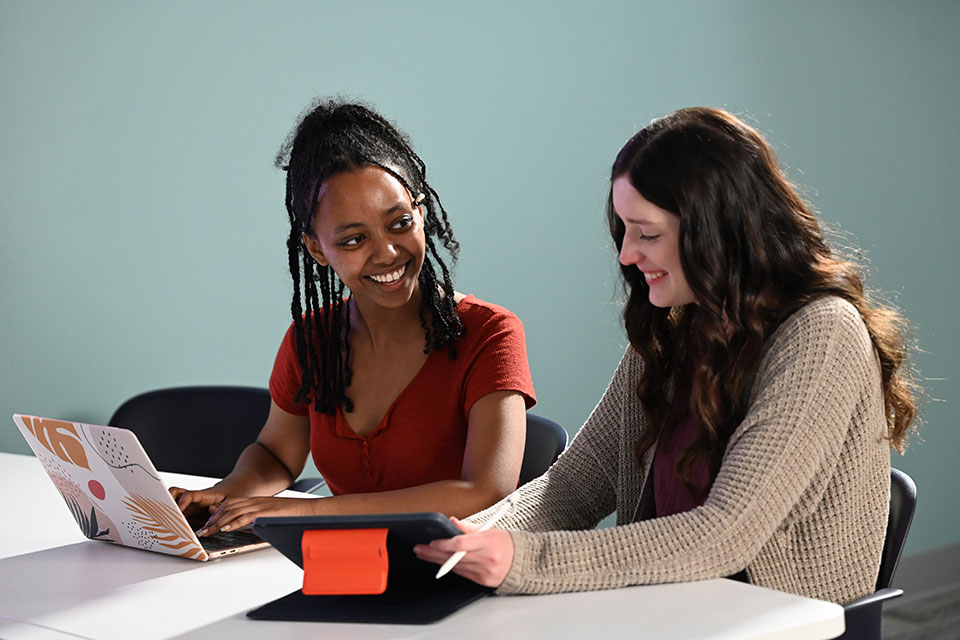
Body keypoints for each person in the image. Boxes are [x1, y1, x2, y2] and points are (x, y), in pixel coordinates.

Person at [415, 107, 918, 605]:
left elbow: (725, 533)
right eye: (625, 231)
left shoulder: (823, 334)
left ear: (716, 231)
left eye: (647, 233)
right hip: (669, 609)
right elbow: (573, 486)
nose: (627, 255)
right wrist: (464, 539)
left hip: (776, 619)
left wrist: (523, 560)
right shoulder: (674, 330)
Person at [172, 99, 536, 534]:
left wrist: (305, 512)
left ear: (421, 214)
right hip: (349, 570)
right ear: (315, 249)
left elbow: (485, 491)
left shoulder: (490, 332)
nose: (386, 252)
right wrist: (229, 492)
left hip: (461, 576)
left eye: (399, 223)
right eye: (353, 239)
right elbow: (275, 453)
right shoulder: (312, 340)